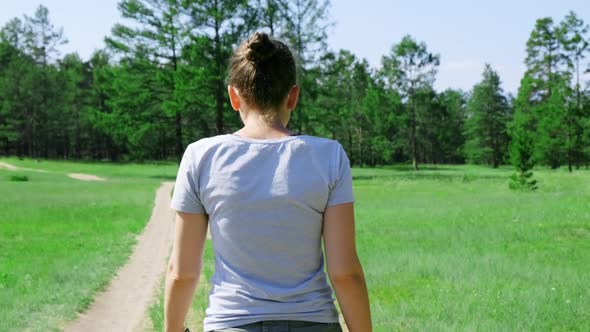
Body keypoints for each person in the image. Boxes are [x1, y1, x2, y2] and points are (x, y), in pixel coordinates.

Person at [165, 32, 371, 332]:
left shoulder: (201, 156)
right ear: (293, 96)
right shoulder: (329, 156)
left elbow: (182, 272)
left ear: (234, 96)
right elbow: (345, 273)